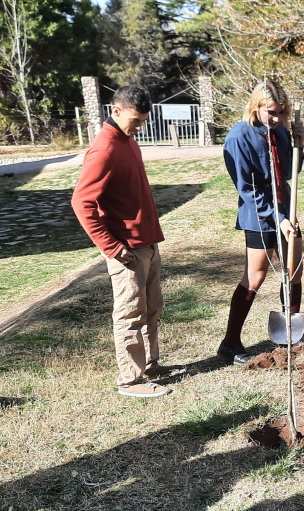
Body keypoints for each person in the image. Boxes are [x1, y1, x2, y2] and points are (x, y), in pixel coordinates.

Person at [71, 85, 184, 398]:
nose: (140, 126)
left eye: (143, 120)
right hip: (127, 250)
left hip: (147, 242)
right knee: (130, 314)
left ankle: (150, 366)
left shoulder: (128, 141)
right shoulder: (104, 148)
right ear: (115, 110)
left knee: (151, 309)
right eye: (135, 120)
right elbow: (82, 203)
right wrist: (112, 246)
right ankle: (130, 381)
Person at [218, 80, 304, 366]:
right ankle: (229, 343)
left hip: (285, 206)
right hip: (258, 214)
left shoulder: (280, 131)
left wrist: (299, 145)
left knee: (294, 270)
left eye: (281, 112)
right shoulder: (238, 137)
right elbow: (247, 189)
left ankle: (290, 337)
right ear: (255, 106)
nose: (277, 118)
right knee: (255, 277)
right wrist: (277, 218)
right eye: (271, 112)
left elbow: (292, 170)